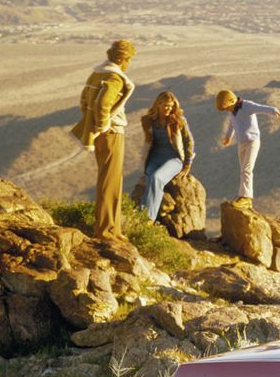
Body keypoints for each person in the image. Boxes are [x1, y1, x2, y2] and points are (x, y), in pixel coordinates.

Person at [71, 39, 136, 241]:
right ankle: (106, 231)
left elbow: (84, 100)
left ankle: (112, 228)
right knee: (110, 181)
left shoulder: (96, 73)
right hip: (112, 133)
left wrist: (92, 123)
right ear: (124, 58)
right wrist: (103, 125)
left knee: (109, 179)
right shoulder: (114, 77)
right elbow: (102, 102)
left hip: (102, 134)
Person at [215, 89, 280, 206]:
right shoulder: (232, 111)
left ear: (231, 101)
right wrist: (228, 137)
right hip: (241, 143)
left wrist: (275, 111)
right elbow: (232, 123)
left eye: (226, 107)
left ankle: (246, 197)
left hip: (252, 142)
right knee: (243, 170)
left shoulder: (247, 106)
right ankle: (245, 198)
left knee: (246, 169)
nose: (226, 110)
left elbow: (261, 108)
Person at [140, 90, 195, 221]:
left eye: (171, 106)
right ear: (158, 104)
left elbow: (189, 141)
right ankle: (140, 216)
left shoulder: (178, 120)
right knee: (148, 179)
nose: (168, 109)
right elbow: (148, 142)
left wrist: (188, 164)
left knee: (156, 178)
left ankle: (148, 220)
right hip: (154, 158)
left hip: (173, 159)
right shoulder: (149, 121)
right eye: (166, 105)